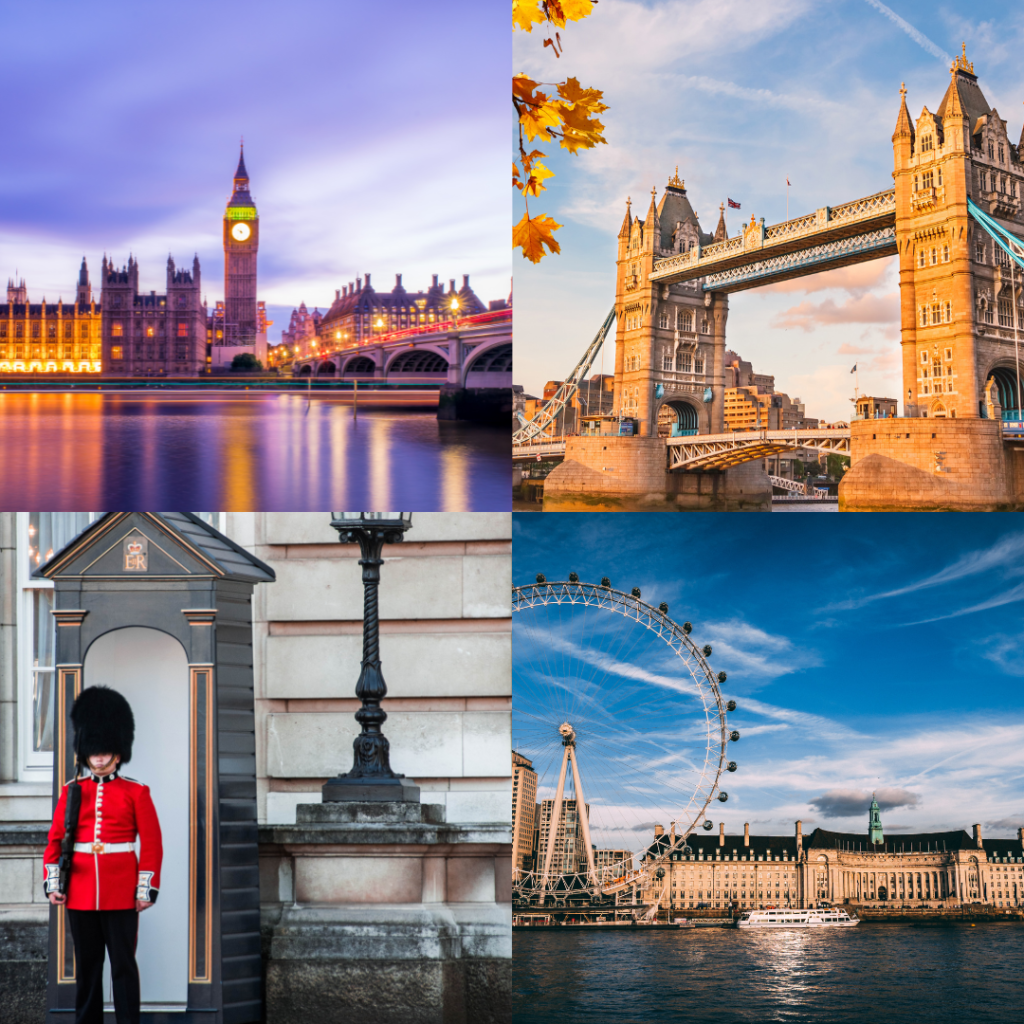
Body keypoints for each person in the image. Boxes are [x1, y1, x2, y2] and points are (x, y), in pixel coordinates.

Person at [44, 686, 162, 1024]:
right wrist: (54, 882)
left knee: (124, 966)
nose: (98, 758)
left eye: (104, 751)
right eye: (93, 752)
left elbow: (152, 844)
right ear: (85, 752)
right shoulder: (72, 791)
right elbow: (54, 841)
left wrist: (145, 889)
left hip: (122, 889)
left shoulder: (136, 792)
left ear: (118, 752)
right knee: (88, 968)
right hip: (80, 891)